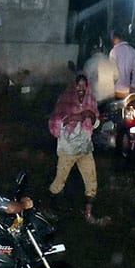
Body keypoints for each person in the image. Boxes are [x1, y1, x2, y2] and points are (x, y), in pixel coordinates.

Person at [46, 74, 99, 221]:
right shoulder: (65, 99)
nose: (81, 89)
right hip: (68, 149)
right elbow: (54, 121)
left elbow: (96, 122)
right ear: (73, 86)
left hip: (85, 147)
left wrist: (92, 116)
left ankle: (88, 213)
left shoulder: (91, 100)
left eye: (84, 85)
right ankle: (50, 209)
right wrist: (70, 118)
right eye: (78, 85)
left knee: (91, 181)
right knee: (59, 182)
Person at [109, 28, 135, 99]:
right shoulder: (132, 50)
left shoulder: (113, 52)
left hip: (115, 90)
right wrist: (133, 86)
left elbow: (112, 72)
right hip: (128, 90)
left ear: (115, 38)